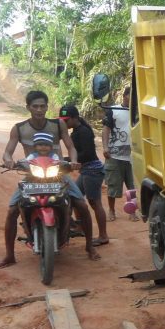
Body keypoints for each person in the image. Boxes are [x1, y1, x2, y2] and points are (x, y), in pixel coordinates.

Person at [0, 90, 100, 268]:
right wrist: (8, 161)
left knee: (81, 205)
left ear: (47, 106)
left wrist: (73, 161)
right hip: (32, 176)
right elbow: (8, 151)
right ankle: (9, 255)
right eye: (35, 106)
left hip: (58, 174)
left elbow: (70, 147)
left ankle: (90, 246)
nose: (39, 110)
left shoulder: (58, 125)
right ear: (28, 107)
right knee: (13, 210)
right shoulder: (19, 128)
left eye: (43, 106)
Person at [59, 104, 109, 245]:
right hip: (87, 170)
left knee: (95, 203)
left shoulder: (83, 132)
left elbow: (87, 154)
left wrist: (68, 161)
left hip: (92, 170)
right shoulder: (76, 131)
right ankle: (80, 226)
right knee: (73, 196)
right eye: (62, 120)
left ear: (75, 118)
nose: (64, 123)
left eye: (66, 120)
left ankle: (103, 236)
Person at [102, 84, 138, 222]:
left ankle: (132, 211)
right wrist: (105, 147)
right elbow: (106, 129)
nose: (133, 98)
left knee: (132, 186)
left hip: (132, 155)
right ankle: (111, 210)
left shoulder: (137, 112)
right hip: (114, 155)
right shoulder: (113, 110)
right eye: (130, 95)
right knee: (112, 185)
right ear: (124, 96)